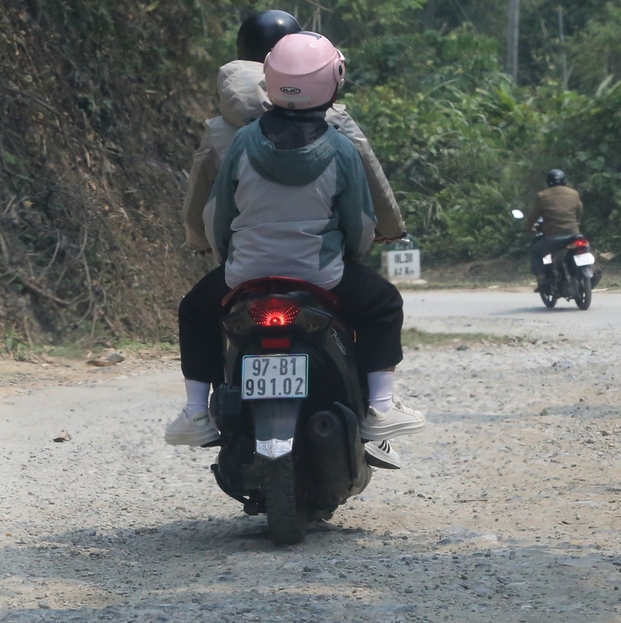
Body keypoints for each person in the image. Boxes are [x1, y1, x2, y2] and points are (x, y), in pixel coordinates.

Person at [166, 33, 426, 452]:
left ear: (269, 76)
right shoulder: (340, 147)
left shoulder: (242, 141)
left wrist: (230, 262)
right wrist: (349, 260)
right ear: (334, 80)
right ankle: (380, 408)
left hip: (245, 275)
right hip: (321, 276)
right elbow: (360, 223)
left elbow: (218, 215)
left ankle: (196, 412)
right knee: (383, 304)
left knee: (194, 311)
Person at [180, 9, 406, 255]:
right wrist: (391, 228)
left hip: (247, 261)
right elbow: (371, 184)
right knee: (372, 283)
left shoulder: (221, 131)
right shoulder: (335, 123)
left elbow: (203, 199)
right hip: (321, 261)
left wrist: (199, 240)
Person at [527, 168, 600, 285]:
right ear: (564, 181)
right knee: (586, 247)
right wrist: (577, 222)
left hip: (553, 237)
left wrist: (529, 227)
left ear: (548, 182)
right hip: (574, 234)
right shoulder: (574, 193)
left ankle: (542, 280)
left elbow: (534, 215)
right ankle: (589, 274)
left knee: (535, 252)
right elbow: (579, 211)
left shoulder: (542, 196)